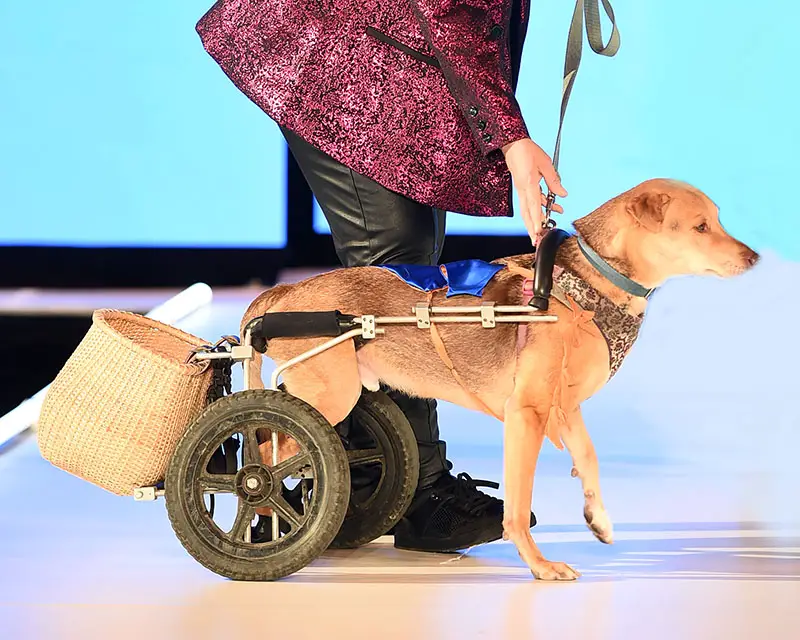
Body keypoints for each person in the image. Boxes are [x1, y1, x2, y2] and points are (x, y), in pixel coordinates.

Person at [197, 0, 566, 552]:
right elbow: (452, 13)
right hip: (342, 51)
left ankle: (365, 485)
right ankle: (414, 496)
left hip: (385, 56)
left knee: (409, 272)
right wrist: (511, 137)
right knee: (392, 279)